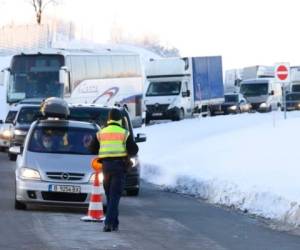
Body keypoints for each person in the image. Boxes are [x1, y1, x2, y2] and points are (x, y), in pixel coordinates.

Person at [96, 108, 138, 232]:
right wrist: (125, 153)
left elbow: (93, 148)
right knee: (114, 196)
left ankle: (114, 223)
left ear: (108, 119)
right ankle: (108, 223)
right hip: (119, 167)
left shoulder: (101, 133)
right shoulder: (124, 133)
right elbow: (134, 150)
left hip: (106, 167)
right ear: (120, 119)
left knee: (110, 196)